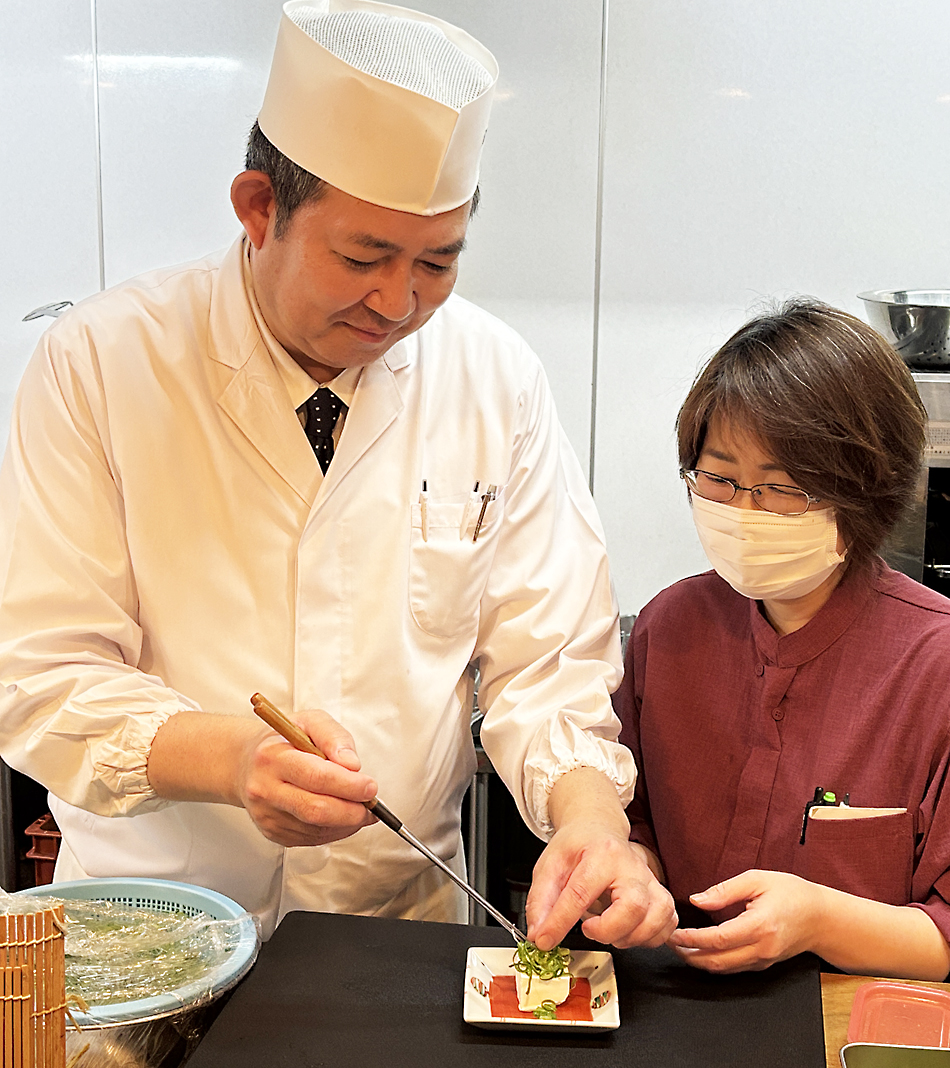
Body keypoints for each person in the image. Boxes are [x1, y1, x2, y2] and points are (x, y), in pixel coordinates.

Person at [0, 0, 675, 949]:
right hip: (155, 925)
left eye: (438, 263)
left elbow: (546, 664)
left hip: (391, 932)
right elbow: (42, 673)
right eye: (364, 256)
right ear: (258, 208)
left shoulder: (493, 377)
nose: (399, 303)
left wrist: (594, 825)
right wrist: (234, 760)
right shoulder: (103, 363)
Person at [616, 299, 950, 981]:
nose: (743, 510)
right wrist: (626, 870)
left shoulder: (933, 663)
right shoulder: (669, 629)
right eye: (720, 477)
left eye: (782, 487)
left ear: (868, 487)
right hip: (672, 1002)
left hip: (847, 1023)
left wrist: (819, 919)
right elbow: (636, 825)